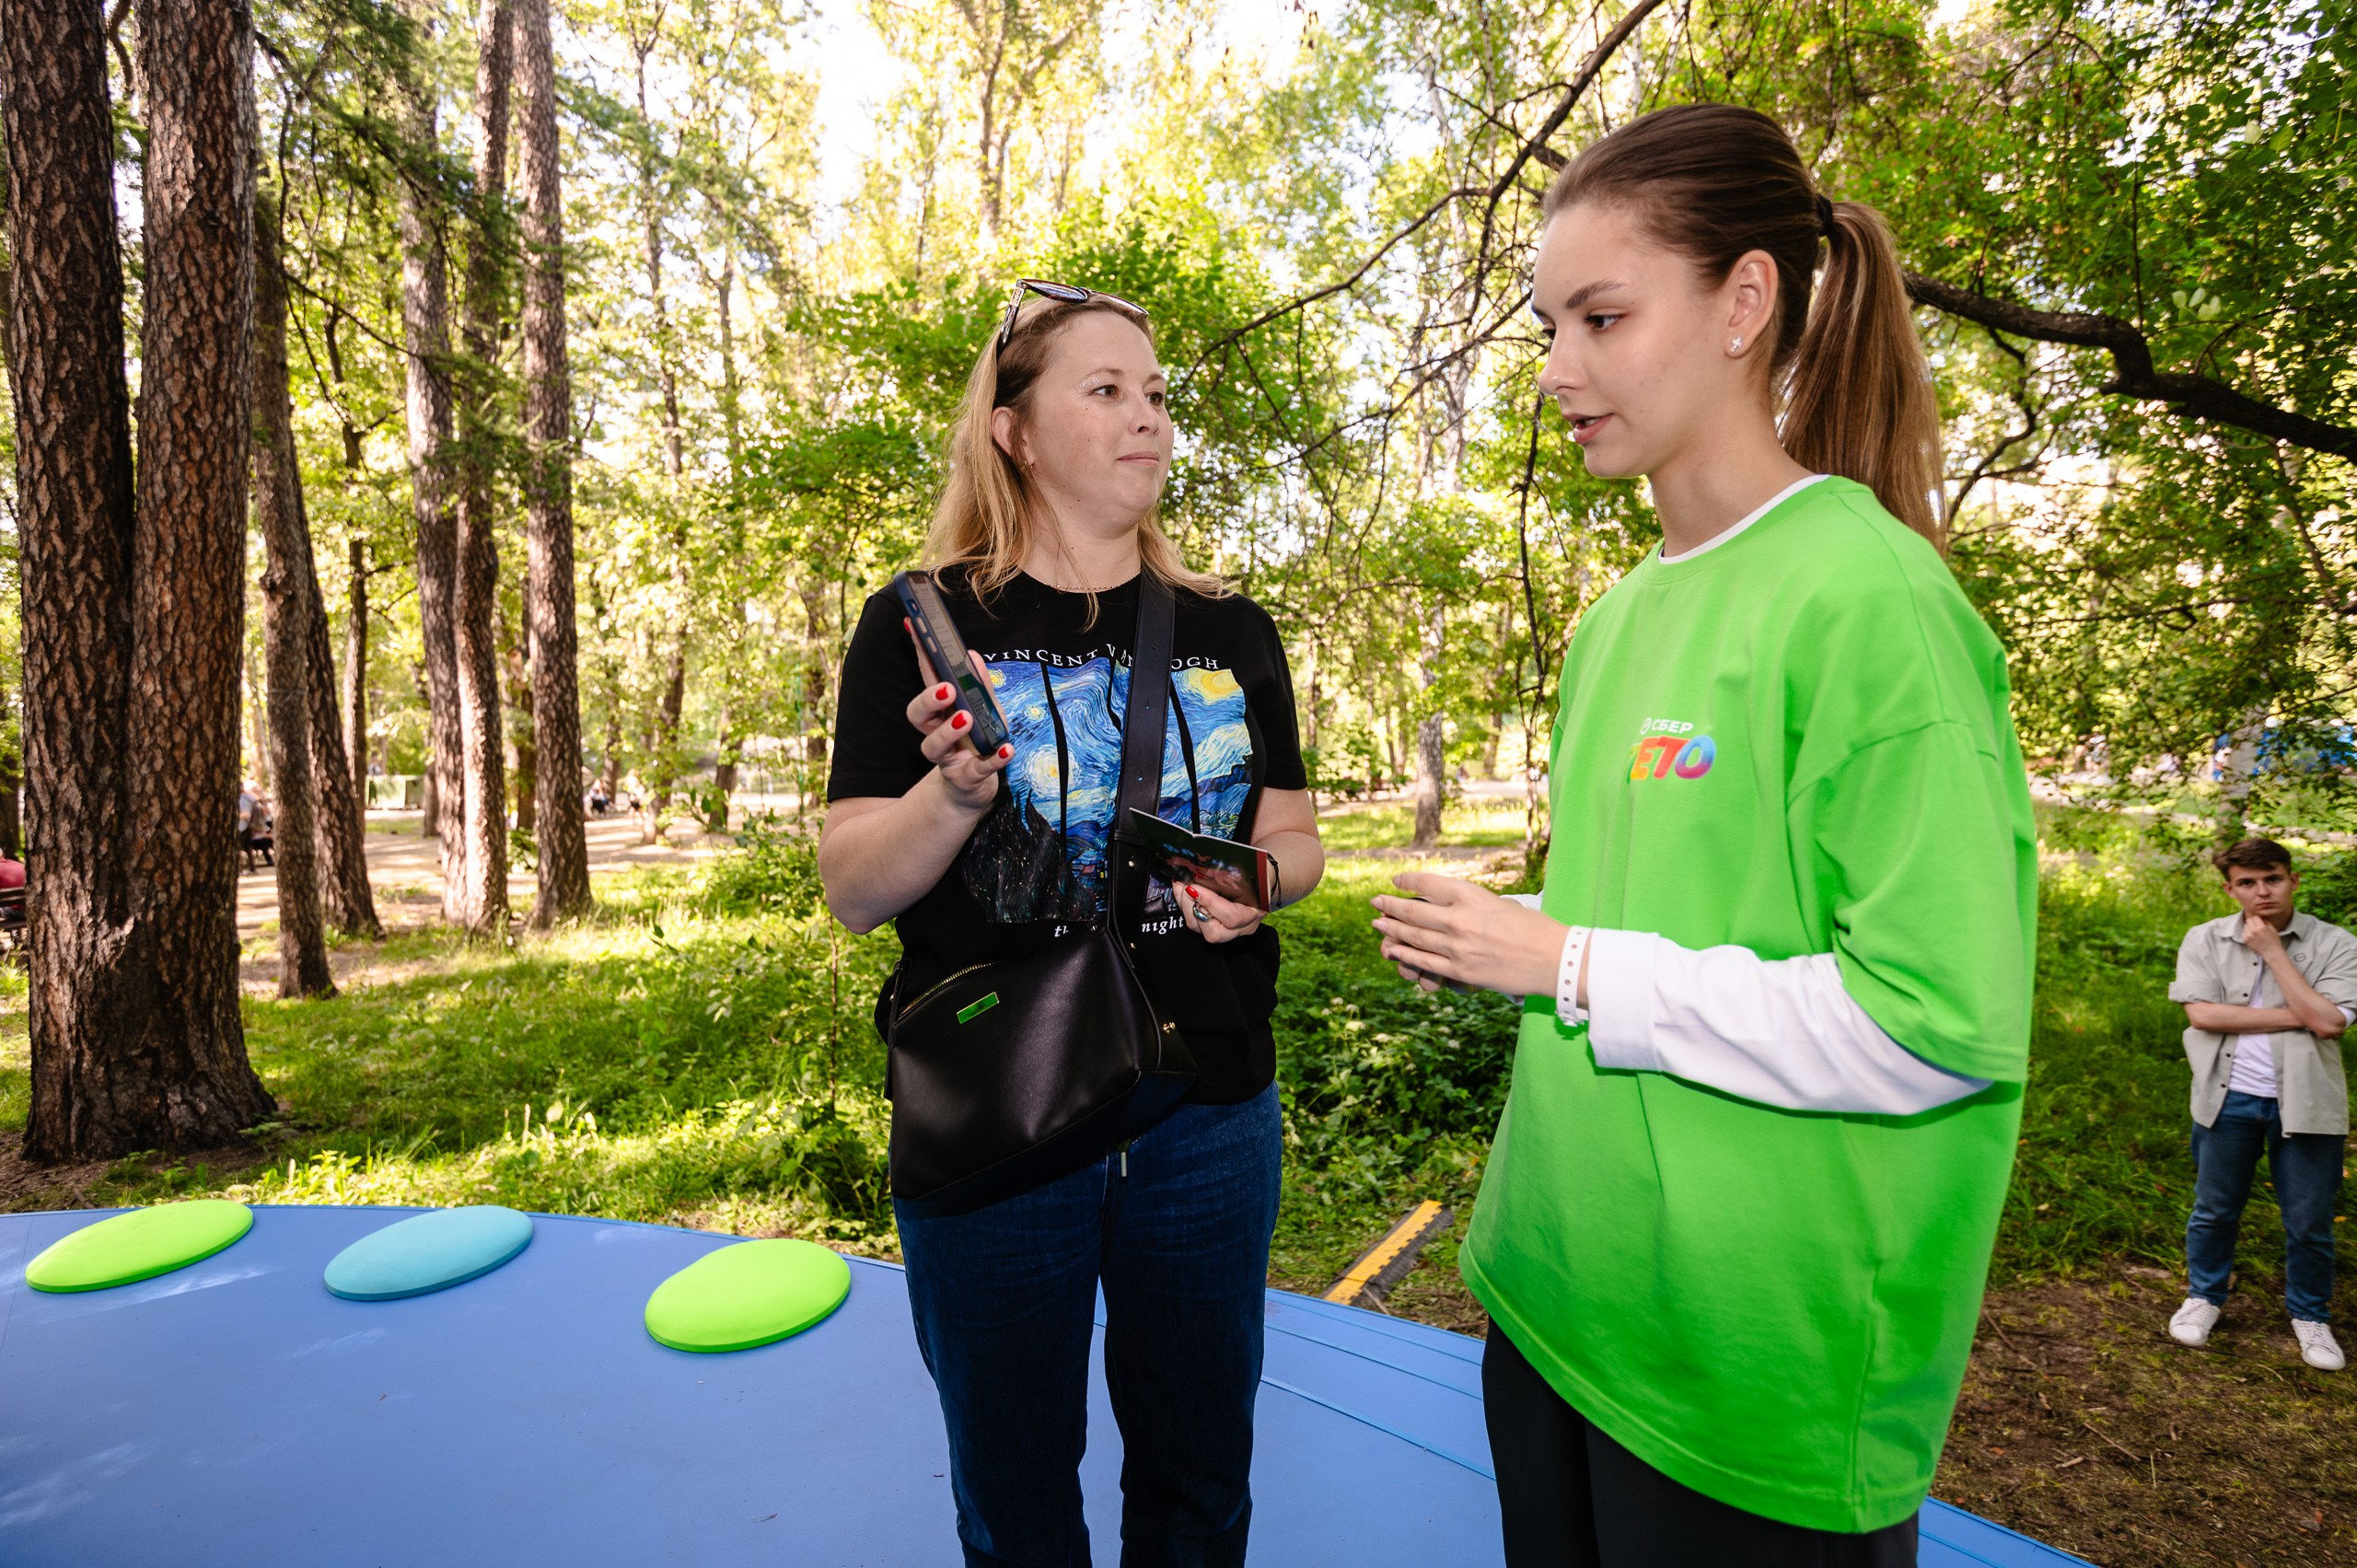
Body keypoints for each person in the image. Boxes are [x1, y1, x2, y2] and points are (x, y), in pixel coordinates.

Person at [1369, 103, 2034, 1564]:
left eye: (1604, 316)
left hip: (1751, 1384)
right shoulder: (1618, 618)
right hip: (1554, 1304)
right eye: (1549, 325)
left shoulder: (1876, 605)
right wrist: (1504, 940)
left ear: (1746, 302)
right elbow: (1658, 909)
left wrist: (1570, 959)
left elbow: (1937, 1023)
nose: (1559, 370)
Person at [819, 280, 1325, 1567]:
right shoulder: (919, 626)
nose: (1147, 416)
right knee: (1017, 1502)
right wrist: (953, 786)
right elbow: (854, 884)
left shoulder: (1230, 628)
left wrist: (1255, 889)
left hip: (1207, 1110)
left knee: (1199, 1487)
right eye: (1105, 390)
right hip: (1001, 1117)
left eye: (1153, 392)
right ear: (1015, 430)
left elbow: (1297, 839)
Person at [2166, 836, 2357, 1370]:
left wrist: (2274, 953)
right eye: (2247, 883)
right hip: (2226, 1100)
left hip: (2309, 1104)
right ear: (2230, 889)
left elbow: (2332, 1023)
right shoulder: (2204, 940)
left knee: (2309, 1220)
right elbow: (2204, 1017)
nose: (2261, 892)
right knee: (2214, 1210)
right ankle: (2204, 1298)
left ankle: (2310, 1317)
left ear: (2293, 879)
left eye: (2272, 878)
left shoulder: (2336, 943)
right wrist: (2311, 1013)